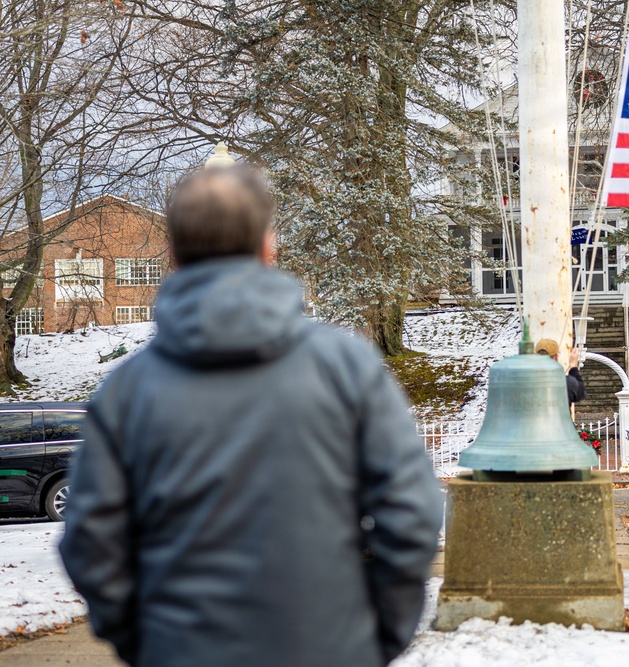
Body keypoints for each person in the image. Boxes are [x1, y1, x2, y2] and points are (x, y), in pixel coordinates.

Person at [60, 166, 442, 667]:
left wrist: (146, 639)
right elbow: (411, 512)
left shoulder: (126, 390)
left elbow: (91, 539)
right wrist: (376, 632)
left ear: (172, 253)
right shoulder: (345, 366)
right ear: (268, 245)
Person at [534, 338, 586, 405]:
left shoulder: (526, 381)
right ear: (556, 357)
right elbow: (581, 392)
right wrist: (573, 366)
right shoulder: (566, 383)